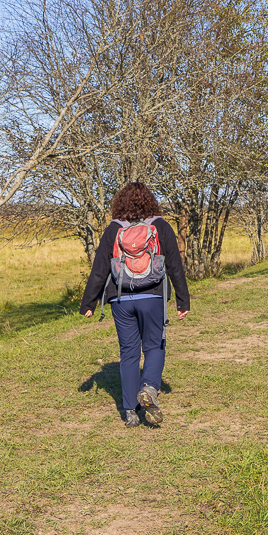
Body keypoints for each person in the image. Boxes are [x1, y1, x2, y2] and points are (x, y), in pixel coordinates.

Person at [81, 182, 190, 427]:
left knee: (128, 353)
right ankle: (149, 388)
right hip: (152, 297)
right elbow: (174, 265)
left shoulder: (113, 229)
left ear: (120, 203)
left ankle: (130, 411)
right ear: (150, 202)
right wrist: (183, 301)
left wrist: (89, 302)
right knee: (154, 346)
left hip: (120, 299)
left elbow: (99, 268)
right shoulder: (160, 226)